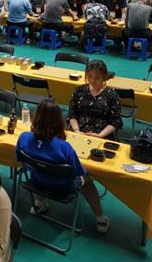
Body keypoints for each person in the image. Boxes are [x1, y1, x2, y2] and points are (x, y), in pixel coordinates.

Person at [16, 98, 110, 233]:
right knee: (88, 180)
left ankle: (38, 203)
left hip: (36, 181)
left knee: (42, 167)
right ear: (59, 121)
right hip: (63, 188)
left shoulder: (24, 137)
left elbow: (19, 159)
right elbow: (80, 173)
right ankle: (101, 219)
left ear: (35, 116)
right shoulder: (64, 147)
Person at [68, 60, 122, 139]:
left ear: (104, 77)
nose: (92, 80)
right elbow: (72, 112)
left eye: (97, 77)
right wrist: (77, 131)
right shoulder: (79, 90)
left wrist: (100, 135)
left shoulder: (112, 95)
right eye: (89, 76)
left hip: (102, 134)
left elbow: (116, 121)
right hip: (79, 131)